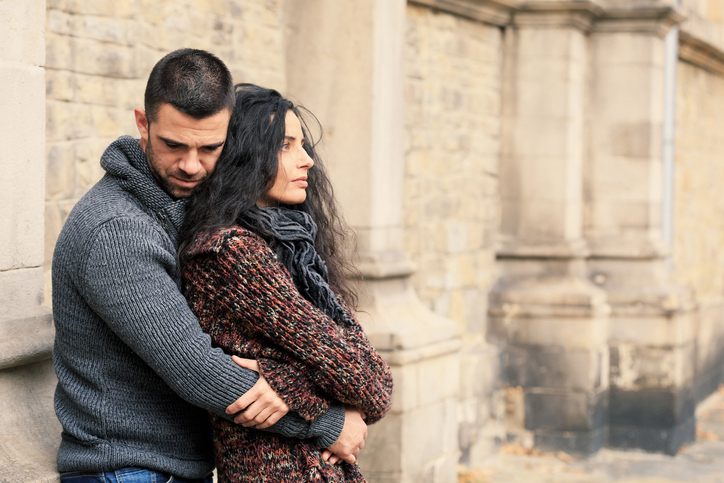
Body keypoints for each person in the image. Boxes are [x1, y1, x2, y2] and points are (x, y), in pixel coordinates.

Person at [52, 49, 366, 483]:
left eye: (209, 148)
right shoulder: (116, 230)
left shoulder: (182, 212)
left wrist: (288, 381)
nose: (191, 164)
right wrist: (329, 424)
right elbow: (198, 371)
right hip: (128, 470)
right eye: (173, 144)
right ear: (143, 124)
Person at [179, 83, 393, 482]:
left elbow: (374, 383)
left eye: (303, 144)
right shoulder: (232, 253)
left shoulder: (294, 253)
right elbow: (369, 385)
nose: (307, 160)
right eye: (286, 145)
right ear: (246, 154)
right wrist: (320, 398)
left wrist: (288, 381)